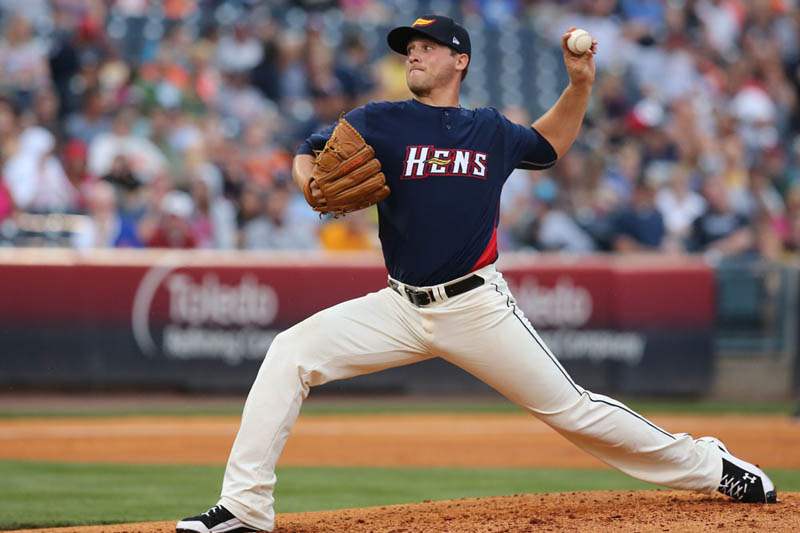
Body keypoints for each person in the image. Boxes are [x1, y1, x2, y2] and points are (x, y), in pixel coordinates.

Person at [177, 15, 776, 533]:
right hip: (399, 306)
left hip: (476, 306)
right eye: (409, 48)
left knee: (574, 411)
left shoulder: (488, 129)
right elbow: (309, 147)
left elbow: (548, 145)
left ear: (459, 60)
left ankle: (710, 465)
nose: (414, 54)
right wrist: (306, 177)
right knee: (289, 353)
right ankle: (245, 507)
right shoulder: (379, 120)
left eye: (428, 47)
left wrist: (579, 86)